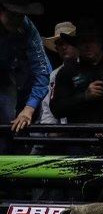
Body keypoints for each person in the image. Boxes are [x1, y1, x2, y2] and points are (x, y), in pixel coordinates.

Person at [50, 19, 103, 125]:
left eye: (91, 40)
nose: (87, 45)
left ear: (100, 42)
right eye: (83, 41)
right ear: (77, 44)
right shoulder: (67, 72)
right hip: (81, 137)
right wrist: (84, 96)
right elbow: (56, 109)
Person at [0, 1, 50, 147]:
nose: (17, 20)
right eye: (13, 15)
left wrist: (29, 109)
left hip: (4, 79)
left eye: (21, 16)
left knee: (6, 125)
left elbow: (42, 71)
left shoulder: (27, 28)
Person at [38, 21, 78, 125]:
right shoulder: (54, 75)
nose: (64, 47)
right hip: (64, 131)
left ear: (76, 44)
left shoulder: (90, 67)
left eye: (67, 42)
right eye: (60, 44)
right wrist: (50, 131)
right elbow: (47, 108)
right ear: (56, 48)